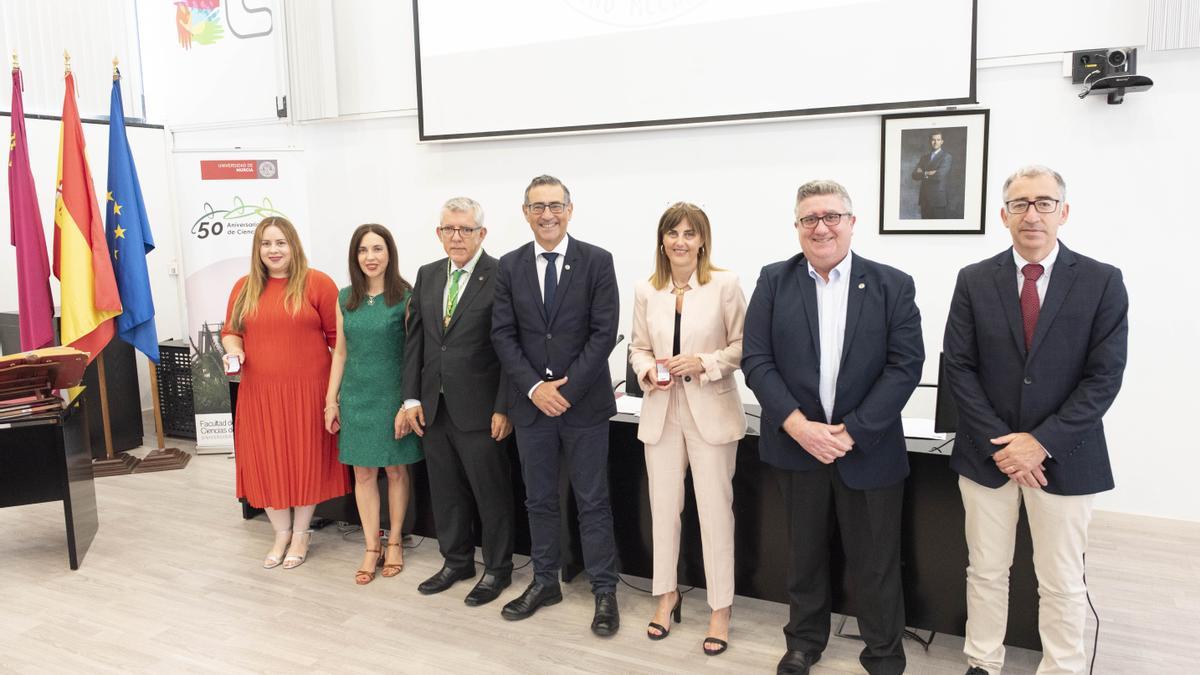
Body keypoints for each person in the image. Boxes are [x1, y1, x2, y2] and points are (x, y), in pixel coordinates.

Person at [943, 165, 1128, 675]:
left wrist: (1039, 443)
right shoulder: (973, 280)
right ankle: (982, 661)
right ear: (1003, 215)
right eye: (1020, 204)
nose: (1032, 214)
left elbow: (1103, 378)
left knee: (1062, 578)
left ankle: (1062, 666)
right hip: (988, 456)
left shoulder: (1101, 281)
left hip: (1065, 457)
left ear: (1063, 213)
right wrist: (1005, 444)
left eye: (1044, 203)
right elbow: (958, 366)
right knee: (985, 569)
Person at [741, 180, 924, 675]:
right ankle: (804, 642)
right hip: (797, 447)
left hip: (869, 449)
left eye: (831, 217)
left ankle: (884, 652)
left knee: (877, 561)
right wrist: (799, 426)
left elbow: (905, 366)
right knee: (804, 556)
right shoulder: (774, 281)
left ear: (851, 221)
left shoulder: (892, 284)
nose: (821, 227)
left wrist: (851, 432)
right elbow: (756, 361)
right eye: (809, 219)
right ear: (797, 226)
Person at [491, 174, 621, 636]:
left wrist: (565, 390)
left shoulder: (597, 262)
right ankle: (545, 581)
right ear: (525, 213)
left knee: (593, 501)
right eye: (537, 206)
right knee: (539, 500)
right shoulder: (508, 266)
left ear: (570, 209)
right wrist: (533, 388)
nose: (547, 214)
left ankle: (605, 589)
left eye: (555, 205)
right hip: (531, 409)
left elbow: (604, 332)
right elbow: (502, 335)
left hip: (583, 406)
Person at [629, 202, 747, 655]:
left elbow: (742, 346)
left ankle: (720, 609)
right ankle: (666, 597)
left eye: (689, 234)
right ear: (662, 240)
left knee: (716, 513)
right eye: (673, 233)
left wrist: (706, 362)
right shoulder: (646, 289)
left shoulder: (726, 285)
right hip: (661, 410)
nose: (681, 241)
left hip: (711, 411)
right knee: (663, 510)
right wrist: (645, 371)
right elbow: (639, 347)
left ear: (702, 240)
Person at [402, 197, 516, 606]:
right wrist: (410, 398)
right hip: (434, 406)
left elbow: (509, 347)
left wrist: (504, 405)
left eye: (465, 229)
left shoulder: (502, 274)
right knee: (446, 491)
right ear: (439, 233)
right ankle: (456, 561)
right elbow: (417, 340)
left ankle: (498, 569)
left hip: (483, 409)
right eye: (449, 229)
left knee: (491, 494)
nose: (456, 237)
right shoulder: (428, 274)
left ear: (481, 233)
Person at [221, 216, 350, 570]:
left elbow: (339, 342)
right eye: (266, 244)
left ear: (293, 245)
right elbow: (231, 331)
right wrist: (234, 350)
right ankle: (280, 532)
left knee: (304, 460)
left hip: (308, 391)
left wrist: (334, 396)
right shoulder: (243, 287)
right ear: (257, 250)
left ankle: (302, 533)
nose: (274, 250)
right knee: (266, 461)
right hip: (259, 392)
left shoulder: (318, 284)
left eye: (281, 243)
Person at [324, 224, 423, 585]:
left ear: (389, 254)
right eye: (363, 250)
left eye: (377, 249)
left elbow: (415, 355)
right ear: (355, 257)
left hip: (393, 397)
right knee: (363, 474)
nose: (370, 257)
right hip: (357, 397)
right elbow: (341, 352)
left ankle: (395, 540)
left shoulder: (406, 296)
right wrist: (330, 401)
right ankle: (371, 546)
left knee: (396, 470)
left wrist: (406, 403)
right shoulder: (345, 297)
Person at [911, 131, 953, 219]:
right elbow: (914, 175)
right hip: (924, 199)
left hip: (937, 199)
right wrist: (928, 173)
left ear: (942, 141)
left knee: (937, 229)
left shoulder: (946, 157)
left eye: (938, 140)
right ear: (930, 141)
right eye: (933, 140)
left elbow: (939, 176)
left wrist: (922, 173)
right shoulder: (924, 157)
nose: (935, 142)